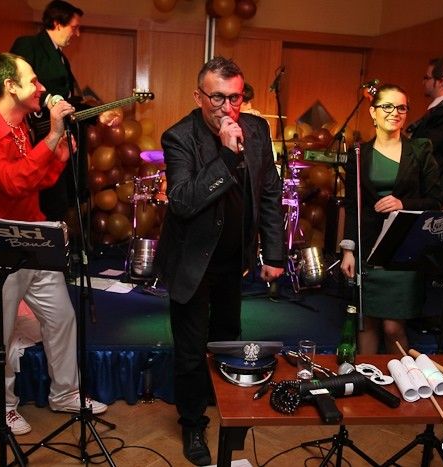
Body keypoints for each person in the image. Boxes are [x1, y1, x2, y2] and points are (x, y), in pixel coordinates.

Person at [0, 53, 106, 436]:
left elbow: (36, 180)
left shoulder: (19, 129)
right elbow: (13, 181)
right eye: (33, 80)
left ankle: (65, 393)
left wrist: (60, 151)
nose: (41, 87)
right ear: (10, 86)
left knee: (62, 318)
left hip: (33, 238)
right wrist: (51, 137)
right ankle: (2, 406)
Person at [154, 57, 286, 466]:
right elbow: (182, 201)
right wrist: (226, 156)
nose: (228, 108)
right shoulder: (179, 137)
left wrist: (273, 252)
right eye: (217, 98)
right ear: (199, 96)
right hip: (191, 262)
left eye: (236, 97)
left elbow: (269, 193)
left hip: (233, 260)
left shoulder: (257, 130)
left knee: (227, 341)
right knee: (191, 351)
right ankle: (193, 424)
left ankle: (226, 410)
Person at [340, 84, 441, 354]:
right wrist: (348, 249)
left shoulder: (420, 151)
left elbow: (435, 200)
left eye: (401, 107)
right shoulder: (359, 153)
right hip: (369, 247)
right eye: (387, 106)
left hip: (404, 250)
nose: (394, 112)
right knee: (367, 324)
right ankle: (366, 376)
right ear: (373, 112)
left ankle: (403, 376)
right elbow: (353, 206)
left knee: (393, 327)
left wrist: (403, 204)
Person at [10, 0, 84, 222]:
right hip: (35, 135)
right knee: (43, 202)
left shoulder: (62, 58)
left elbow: (69, 98)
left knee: (59, 201)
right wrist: (48, 99)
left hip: (58, 139)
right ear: (57, 23)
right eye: (74, 27)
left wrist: (99, 114)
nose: (77, 34)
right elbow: (19, 82)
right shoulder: (28, 45)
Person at [406, 57, 443, 207]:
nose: (423, 82)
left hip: (435, 189)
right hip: (429, 186)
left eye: (427, 78)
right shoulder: (441, 108)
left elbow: (427, 147)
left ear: (441, 82)